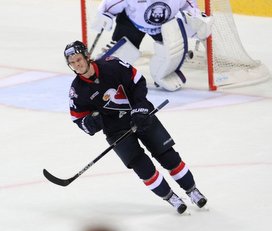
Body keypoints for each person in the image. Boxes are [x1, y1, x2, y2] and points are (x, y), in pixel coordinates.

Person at [64, 40, 207, 214]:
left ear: (87, 56)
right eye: (72, 63)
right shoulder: (77, 91)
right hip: (115, 130)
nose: (76, 65)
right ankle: (171, 197)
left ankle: (192, 190)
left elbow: (138, 82)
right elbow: (79, 119)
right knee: (143, 168)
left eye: (78, 59)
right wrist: (93, 123)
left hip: (139, 115)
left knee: (168, 157)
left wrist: (140, 109)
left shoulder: (112, 65)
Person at [92, 0, 213, 91]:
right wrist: (104, 13)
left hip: (165, 26)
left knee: (172, 54)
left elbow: (189, 6)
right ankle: (107, 74)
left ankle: (166, 73)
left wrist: (196, 18)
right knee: (121, 54)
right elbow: (112, 3)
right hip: (132, 23)